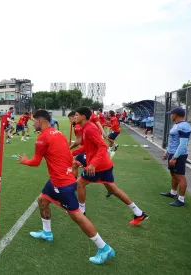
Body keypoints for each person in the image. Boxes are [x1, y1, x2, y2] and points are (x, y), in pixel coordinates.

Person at [17, 109, 115, 265]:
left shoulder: (42, 137)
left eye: (33, 121)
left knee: (77, 216)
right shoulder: (58, 133)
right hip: (59, 178)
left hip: (62, 183)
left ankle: (104, 248)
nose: (33, 124)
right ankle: (47, 232)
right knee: (42, 200)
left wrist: (24, 161)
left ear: (40, 121)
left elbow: (36, 162)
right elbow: (69, 155)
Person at [72, 107, 148, 225]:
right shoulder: (86, 128)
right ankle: (139, 213)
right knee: (113, 189)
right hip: (105, 164)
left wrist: (93, 164)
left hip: (98, 166)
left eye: (76, 115)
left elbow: (103, 146)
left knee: (80, 184)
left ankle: (81, 210)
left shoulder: (90, 129)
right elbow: (87, 147)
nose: (74, 117)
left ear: (83, 116)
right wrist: (70, 153)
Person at [160, 107, 191, 207]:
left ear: (176, 115)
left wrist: (175, 157)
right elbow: (173, 141)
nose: (170, 116)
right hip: (172, 153)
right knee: (173, 173)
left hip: (179, 155)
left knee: (180, 176)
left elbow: (183, 144)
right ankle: (173, 192)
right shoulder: (176, 125)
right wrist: (167, 152)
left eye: (171, 114)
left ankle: (181, 199)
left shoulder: (184, 126)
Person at [68, 111, 86, 178]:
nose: (70, 121)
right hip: (86, 149)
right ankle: (74, 181)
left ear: (74, 117)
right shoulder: (81, 125)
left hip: (87, 151)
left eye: (70, 119)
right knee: (74, 165)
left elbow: (79, 141)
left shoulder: (77, 126)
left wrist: (69, 148)